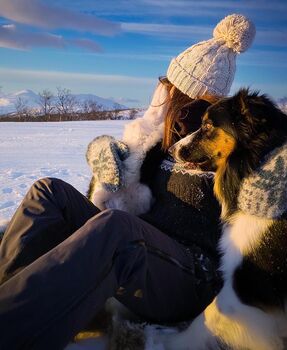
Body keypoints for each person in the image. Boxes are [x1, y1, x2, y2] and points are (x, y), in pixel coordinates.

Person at [0, 14, 255, 350]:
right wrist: (103, 164)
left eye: (168, 86)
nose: (159, 91)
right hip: (140, 251)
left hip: (190, 275)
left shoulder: (223, 151)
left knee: (117, 229)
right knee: (49, 192)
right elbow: (109, 201)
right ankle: (11, 297)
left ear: (183, 98)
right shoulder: (156, 141)